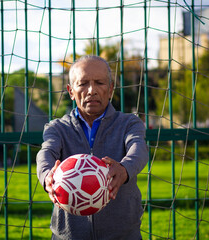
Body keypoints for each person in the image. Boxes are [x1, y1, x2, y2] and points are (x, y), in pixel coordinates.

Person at [36, 55, 148, 239]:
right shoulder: (57, 128)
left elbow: (139, 149)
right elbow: (46, 152)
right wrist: (47, 174)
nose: (91, 90)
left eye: (100, 83)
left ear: (110, 89)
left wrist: (124, 169)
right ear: (71, 91)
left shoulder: (129, 123)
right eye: (83, 84)